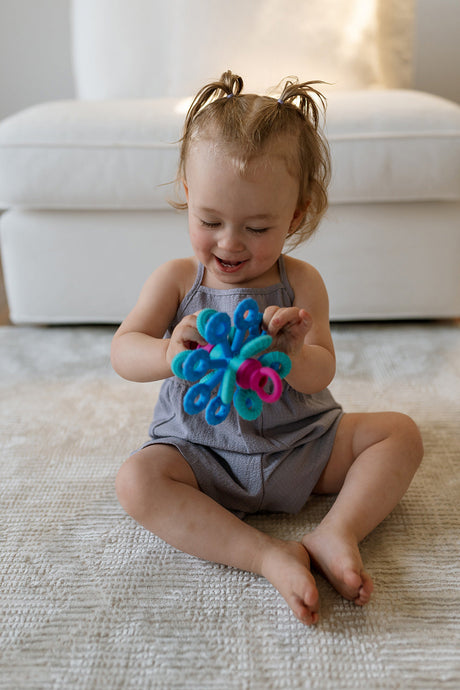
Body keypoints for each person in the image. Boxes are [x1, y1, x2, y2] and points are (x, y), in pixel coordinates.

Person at [111, 71, 423, 625]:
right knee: (137, 482)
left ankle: (336, 532)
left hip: (299, 446)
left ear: (296, 215)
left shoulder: (301, 281)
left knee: (398, 433)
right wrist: (166, 354)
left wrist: (295, 352)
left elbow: (322, 369)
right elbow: (123, 350)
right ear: (187, 191)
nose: (230, 243)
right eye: (210, 220)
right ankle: (266, 554)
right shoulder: (177, 281)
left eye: (257, 227)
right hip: (201, 454)